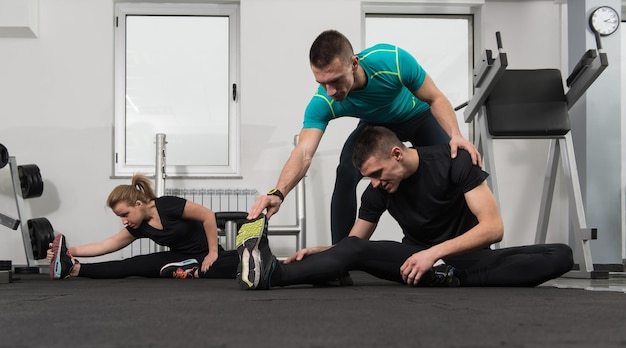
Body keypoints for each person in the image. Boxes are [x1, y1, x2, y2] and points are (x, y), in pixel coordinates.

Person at [235, 126, 573, 290]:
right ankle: (275, 273)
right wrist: (319, 252)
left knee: (560, 255)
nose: (376, 183)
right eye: (369, 178)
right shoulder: (379, 188)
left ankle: (449, 276)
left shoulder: (454, 162)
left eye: (378, 174)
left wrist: (434, 253)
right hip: (412, 264)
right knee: (351, 251)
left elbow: (493, 228)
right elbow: (355, 244)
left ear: (397, 154)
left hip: (469, 260)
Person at [248, 29, 481, 244]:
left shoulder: (392, 60)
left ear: (354, 64)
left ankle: (472, 242)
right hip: (376, 125)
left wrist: (456, 135)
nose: (330, 90)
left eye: (335, 80)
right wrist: (278, 193)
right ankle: (340, 258)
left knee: (456, 162)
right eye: (322, 83)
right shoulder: (324, 101)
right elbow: (304, 152)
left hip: (418, 115)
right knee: (346, 171)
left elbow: (435, 98)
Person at [48, 174, 239, 280]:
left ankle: (197, 270)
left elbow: (207, 215)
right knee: (132, 265)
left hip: (207, 255)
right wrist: (66, 251)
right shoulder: (138, 226)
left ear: (138, 205)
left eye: (125, 214)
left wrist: (213, 253)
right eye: (120, 217)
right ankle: (74, 269)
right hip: (180, 258)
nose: (124, 221)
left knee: (234, 263)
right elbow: (107, 245)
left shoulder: (168, 205)